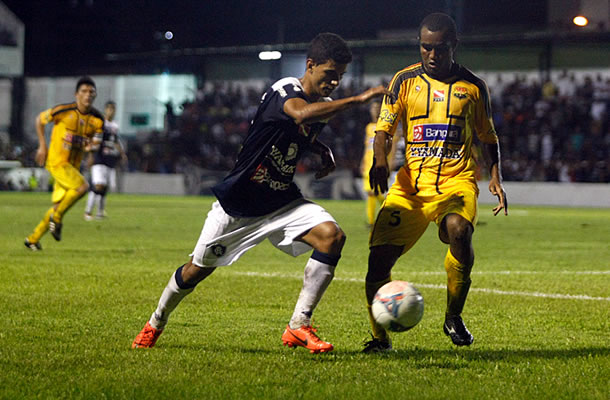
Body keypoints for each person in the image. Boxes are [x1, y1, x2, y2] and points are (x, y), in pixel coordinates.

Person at [132, 33, 392, 353]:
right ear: (310, 66)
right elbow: (297, 114)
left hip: (280, 199)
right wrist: (358, 99)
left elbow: (296, 133)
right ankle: (155, 322)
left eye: (340, 76)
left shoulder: (322, 106)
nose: (336, 82)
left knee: (332, 237)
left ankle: (298, 325)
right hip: (241, 201)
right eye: (329, 74)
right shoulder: (285, 89)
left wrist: (320, 150)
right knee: (196, 271)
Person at [362, 13, 508, 353]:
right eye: (426, 47)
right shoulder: (404, 80)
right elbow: (384, 129)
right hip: (411, 188)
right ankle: (380, 340)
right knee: (377, 261)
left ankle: (453, 316)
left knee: (458, 230)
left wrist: (496, 178)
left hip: (456, 182)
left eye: (439, 48)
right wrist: (380, 160)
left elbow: (488, 137)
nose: (432, 55)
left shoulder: (473, 87)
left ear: (453, 46)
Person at [25, 76, 103, 250]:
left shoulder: (98, 120)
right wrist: (42, 146)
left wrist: (90, 148)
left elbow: (96, 144)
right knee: (83, 187)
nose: (88, 95)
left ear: (95, 95)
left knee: (58, 206)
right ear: (76, 94)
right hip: (57, 161)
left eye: (91, 92)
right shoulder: (64, 111)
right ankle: (57, 219)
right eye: (84, 91)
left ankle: (32, 239)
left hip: (72, 168)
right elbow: (39, 119)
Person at [359, 101, 402, 228]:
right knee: (371, 193)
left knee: (374, 192)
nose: (374, 111)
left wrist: (391, 160)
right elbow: (366, 146)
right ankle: (373, 221)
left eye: (377, 108)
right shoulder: (369, 127)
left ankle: (390, 211)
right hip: (368, 164)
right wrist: (362, 162)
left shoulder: (386, 125)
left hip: (380, 163)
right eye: (373, 108)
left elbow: (393, 144)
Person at [84, 100, 127, 220]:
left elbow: (115, 140)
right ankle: (87, 212)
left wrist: (122, 153)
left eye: (114, 109)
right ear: (106, 110)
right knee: (98, 185)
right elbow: (92, 138)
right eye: (110, 109)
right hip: (98, 157)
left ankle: (100, 212)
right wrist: (90, 156)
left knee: (104, 187)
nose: (112, 111)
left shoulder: (114, 125)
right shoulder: (100, 123)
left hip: (109, 158)